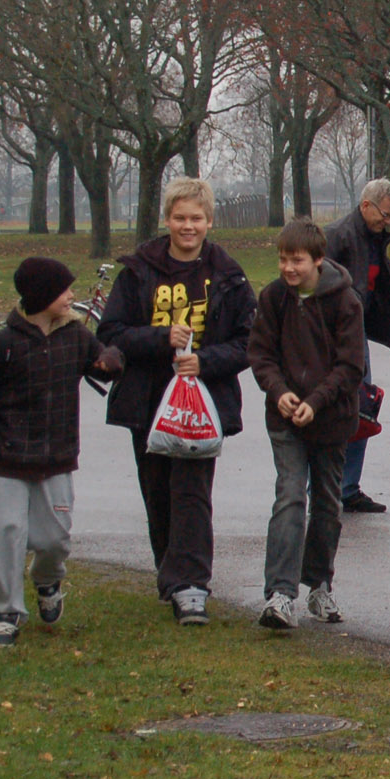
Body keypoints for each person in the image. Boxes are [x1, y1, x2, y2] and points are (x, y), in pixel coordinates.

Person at [97, 177, 256, 627]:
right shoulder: (137, 272)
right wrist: (158, 339)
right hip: (146, 402)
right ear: (167, 220)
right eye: (180, 218)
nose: (188, 226)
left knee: (192, 491)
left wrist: (204, 361)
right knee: (158, 493)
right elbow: (109, 335)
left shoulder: (228, 275)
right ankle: (170, 573)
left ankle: (191, 585)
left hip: (202, 404)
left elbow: (249, 342)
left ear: (209, 221)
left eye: (197, 218)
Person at [0, 257, 121, 647]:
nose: (72, 296)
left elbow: (104, 362)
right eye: (64, 290)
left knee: (54, 540)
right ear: (42, 296)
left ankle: (47, 580)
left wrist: (111, 361)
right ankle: (5, 612)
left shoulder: (75, 335)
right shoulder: (5, 344)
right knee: (5, 535)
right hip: (7, 461)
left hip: (57, 459)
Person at [247, 219, 366, 631]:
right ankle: (280, 594)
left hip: (331, 419)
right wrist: (279, 392)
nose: (287, 268)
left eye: (296, 260)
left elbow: (351, 366)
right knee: (290, 496)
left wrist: (316, 402)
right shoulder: (273, 298)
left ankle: (319, 583)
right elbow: (260, 355)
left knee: (328, 505)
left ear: (318, 260)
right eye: (282, 259)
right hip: (284, 418)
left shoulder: (345, 302)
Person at [321, 178, 390, 515]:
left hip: (360, 330)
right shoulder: (337, 235)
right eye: (385, 214)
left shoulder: (375, 237)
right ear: (366, 205)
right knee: (338, 407)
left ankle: (347, 487)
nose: (388, 221)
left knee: (362, 407)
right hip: (337, 333)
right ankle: (328, 486)